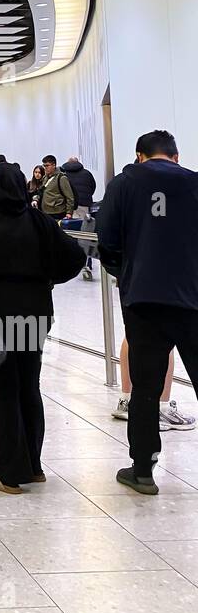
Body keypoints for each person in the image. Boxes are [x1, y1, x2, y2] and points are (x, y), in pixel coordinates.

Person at [0, 163, 85, 493]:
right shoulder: (39, 220)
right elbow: (74, 257)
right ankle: (33, 466)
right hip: (34, 313)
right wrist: (46, 280)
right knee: (29, 386)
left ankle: (7, 472)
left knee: (5, 390)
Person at [96, 130, 198, 494]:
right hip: (193, 299)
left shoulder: (124, 184)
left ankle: (142, 469)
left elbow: (106, 239)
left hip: (144, 300)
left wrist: (127, 272)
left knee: (145, 386)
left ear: (139, 155)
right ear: (176, 155)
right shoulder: (194, 182)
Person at [61, 155, 98, 279]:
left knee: (70, 233)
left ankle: (72, 260)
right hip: (85, 205)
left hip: (69, 207)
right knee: (85, 233)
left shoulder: (64, 174)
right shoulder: (87, 173)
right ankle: (87, 262)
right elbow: (92, 187)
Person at [37, 154, 75, 220]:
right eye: (44, 166)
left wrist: (69, 212)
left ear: (54, 165)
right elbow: (42, 192)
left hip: (57, 212)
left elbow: (69, 197)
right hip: (45, 211)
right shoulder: (45, 178)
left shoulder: (61, 178)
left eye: (47, 165)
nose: (45, 168)